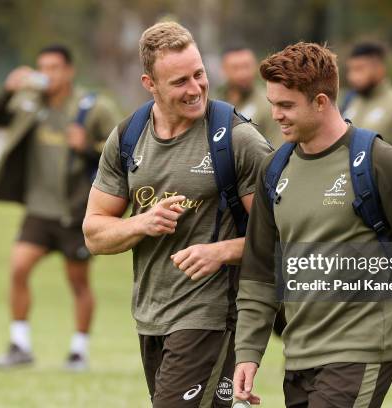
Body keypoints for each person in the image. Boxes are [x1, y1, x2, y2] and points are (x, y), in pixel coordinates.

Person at [233, 42, 392, 407]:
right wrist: (248, 352)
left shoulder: (382, 163)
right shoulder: (274, 170)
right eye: (272, 105)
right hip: (299, 355)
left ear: (321, 101)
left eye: (286, 106)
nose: (277, 115)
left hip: (361, 351)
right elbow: (259, 272)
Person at [82, 22, 271, 407]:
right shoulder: (128, 137)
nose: (196, 88)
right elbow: (94, 233)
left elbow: (281, 236)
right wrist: (142, 222)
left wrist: (220, 252)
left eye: (199, 74)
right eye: (180, 81)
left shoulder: (238, 139)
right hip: (151, 315)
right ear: (149, 83)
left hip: (213, 315)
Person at [0, 44, 117, 371]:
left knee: (78, 283)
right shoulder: (30, 102)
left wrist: (86, 147)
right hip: (39, 208)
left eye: (54, 68)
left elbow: (122, 152)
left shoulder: (93, 107)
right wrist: (7, 89)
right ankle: (19, 346)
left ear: (69, 71)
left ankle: (78, 351)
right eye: (42, 67)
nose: (48, 75)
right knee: (18, 268)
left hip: (75, 211)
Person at [217, 45, 281, 147]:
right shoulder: (214, 102)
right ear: (224, 70)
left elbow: (277, 149)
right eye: (235, 68)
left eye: (247, 66)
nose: (243, 73)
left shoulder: (269, 102)